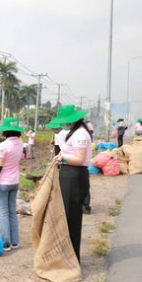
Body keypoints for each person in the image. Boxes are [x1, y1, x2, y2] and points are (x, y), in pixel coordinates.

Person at [51, 105, 92, 263]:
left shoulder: (81, 134)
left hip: (74, 178)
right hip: (69, 176)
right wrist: (61, 155)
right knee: (67, 217)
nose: (65, 124)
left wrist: (62, 159)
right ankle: (68, 256)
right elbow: (68, 151)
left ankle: (72, 259)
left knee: (71, 218)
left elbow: (80, 159)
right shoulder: (75, 132)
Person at [0, 117, 24, 252]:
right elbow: (11, 143)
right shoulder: (20, 143)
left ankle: (5, 243)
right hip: (15, 182)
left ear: (5, 131)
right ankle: (15, 242)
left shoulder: (3, 146)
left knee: (3, 213)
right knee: (11, 212)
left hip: (3, 183)